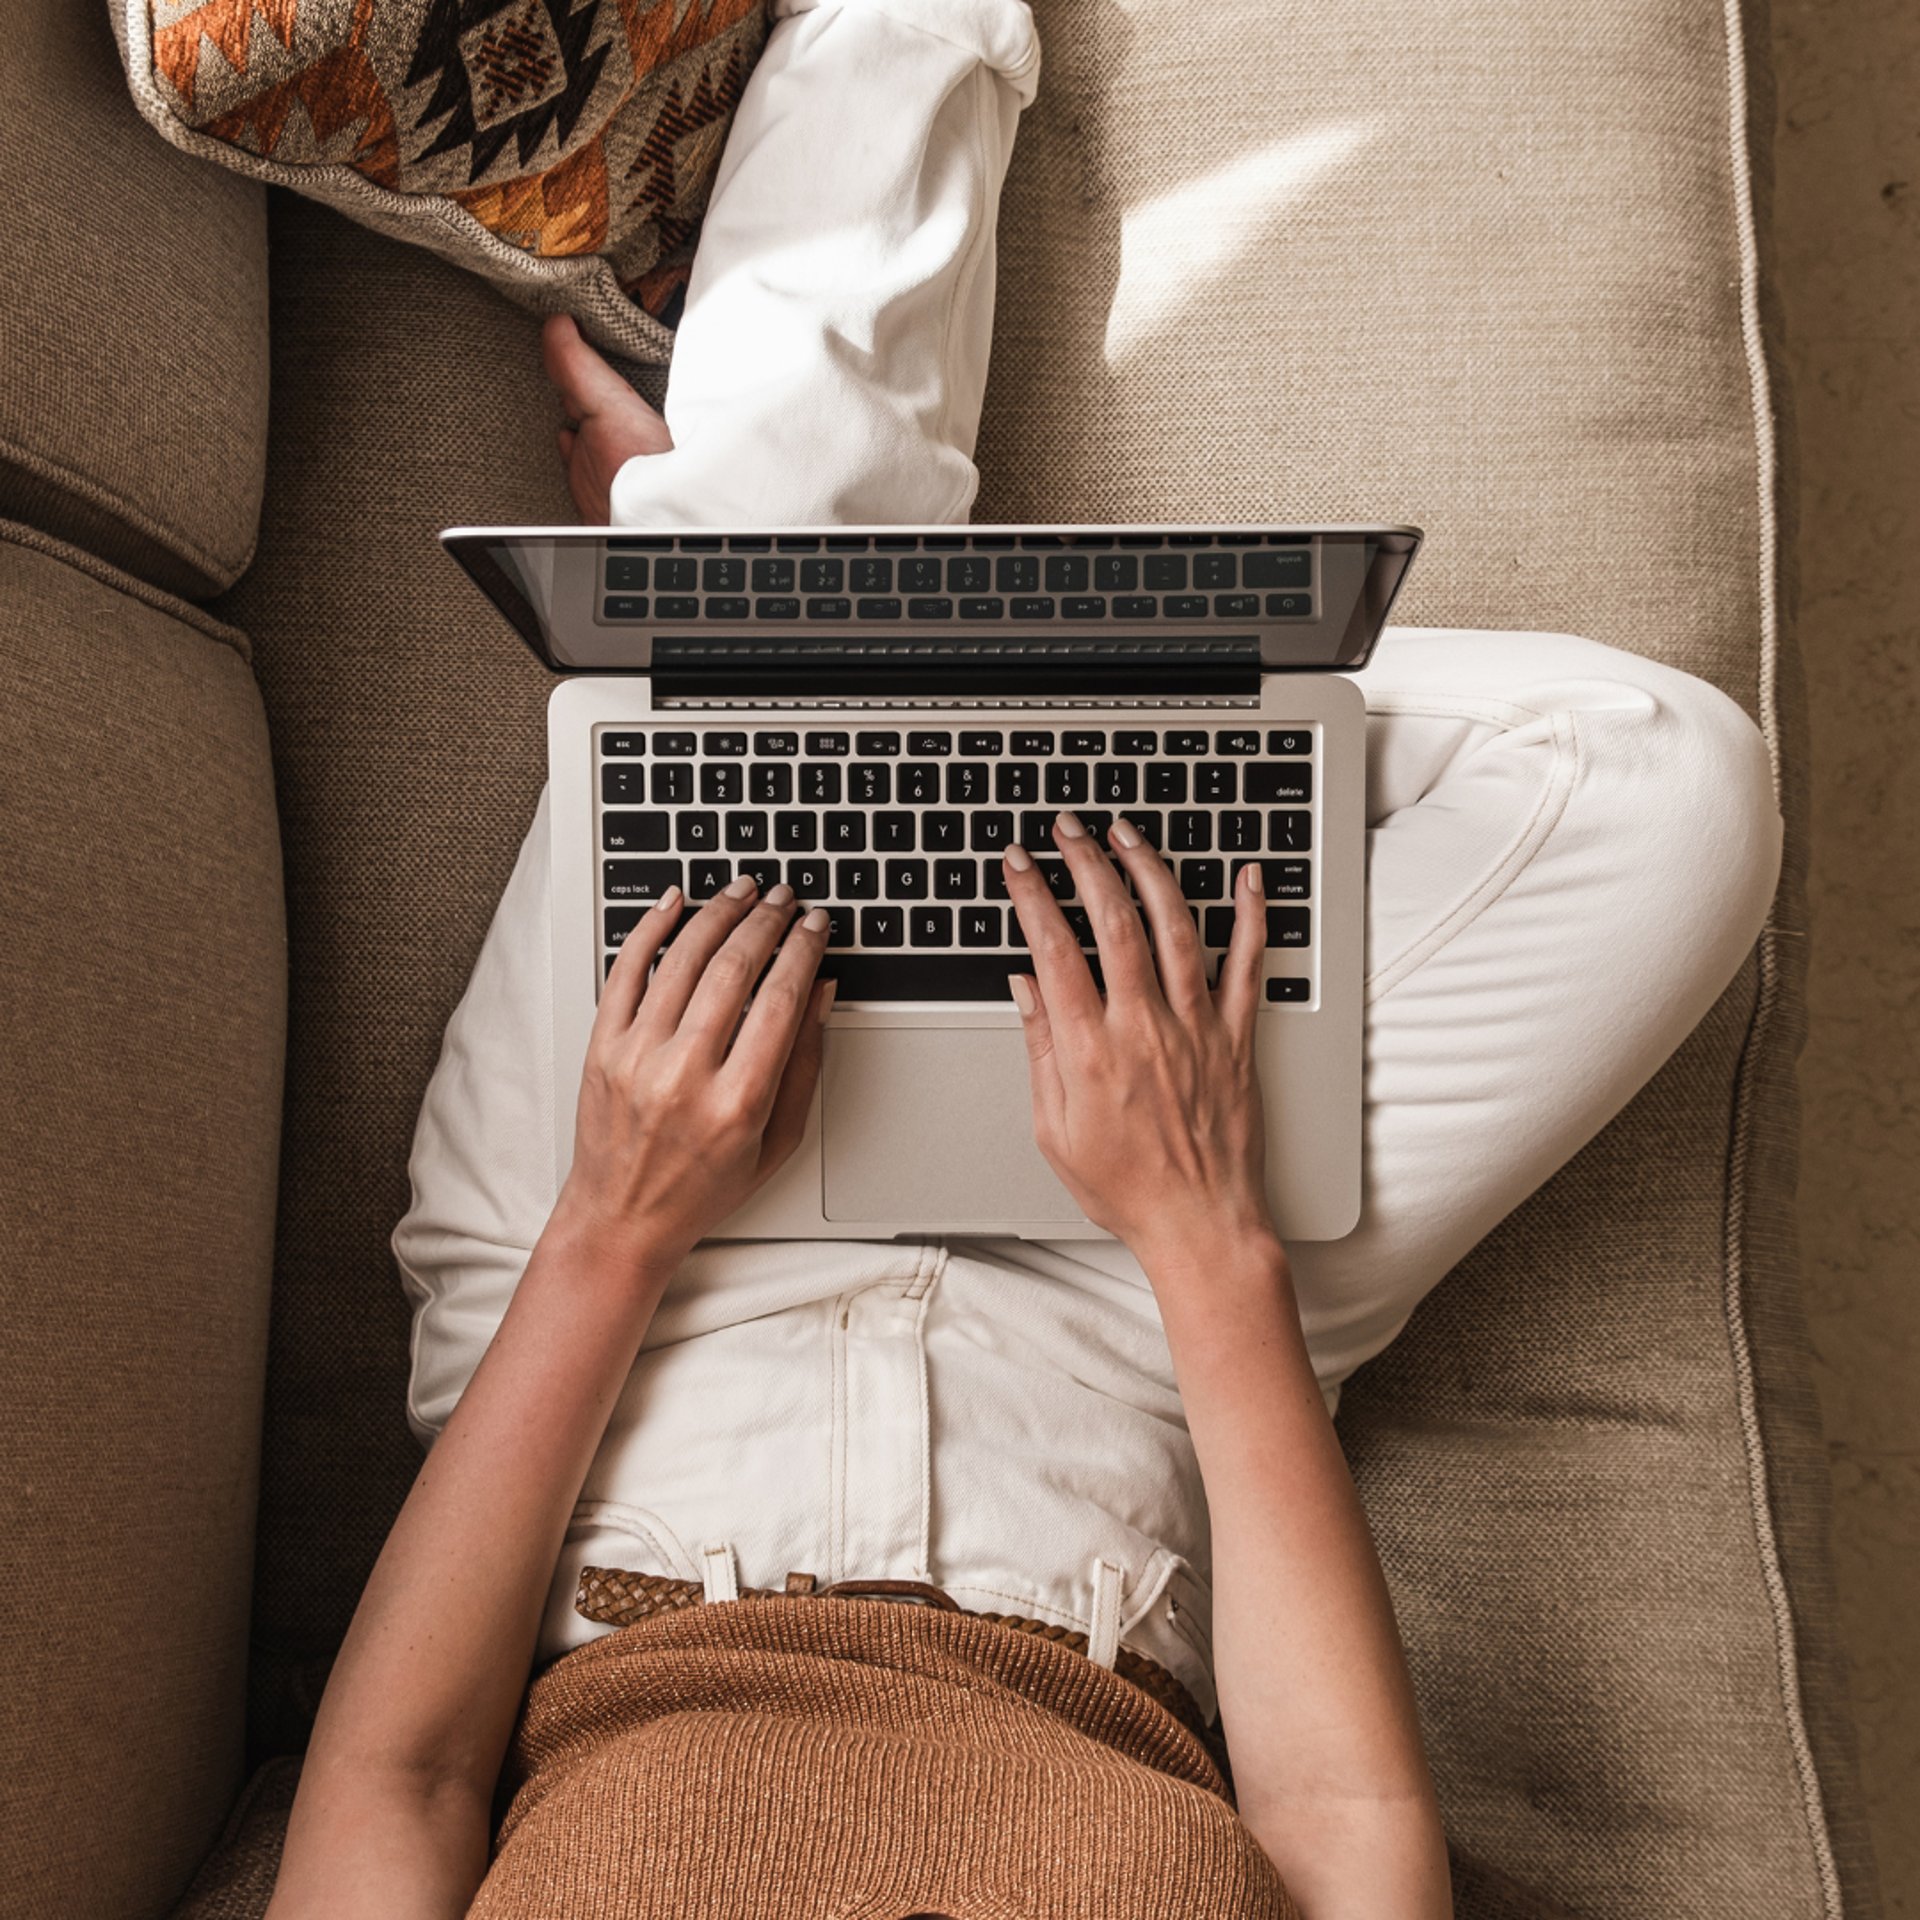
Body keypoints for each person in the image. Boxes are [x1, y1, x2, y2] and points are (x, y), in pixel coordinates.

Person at [264, 1, 1785, 1915]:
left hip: (635, 1324)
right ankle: (761, 627)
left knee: (782, 545)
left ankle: (748, 617)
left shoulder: (621, 1236)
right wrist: (1203, 1224)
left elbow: (398, 1779)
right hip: (1138, 1360)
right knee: (1663, 790)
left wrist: (620, 1214)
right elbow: (1347, 1839)